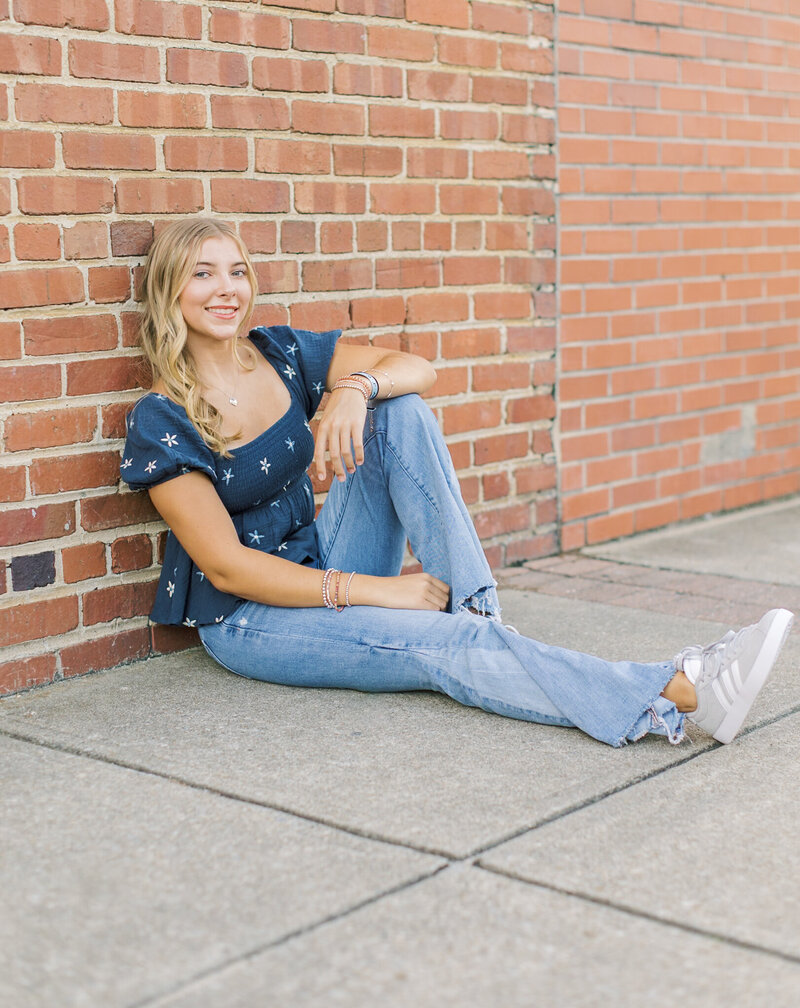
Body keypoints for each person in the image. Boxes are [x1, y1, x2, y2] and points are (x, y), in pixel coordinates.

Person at [121, 218, 793, 748]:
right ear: (171, 290)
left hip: (321, 556)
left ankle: (479, 619)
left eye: (237, 270)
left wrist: (354, 387)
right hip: (252, 619)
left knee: (396, 408)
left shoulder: (278, 352)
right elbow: (228, 568)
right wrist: (379, 593)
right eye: (203, 273)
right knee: (442, 649)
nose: (227, 288)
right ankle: (683, 691)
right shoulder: (162, 419)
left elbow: (414, 369)